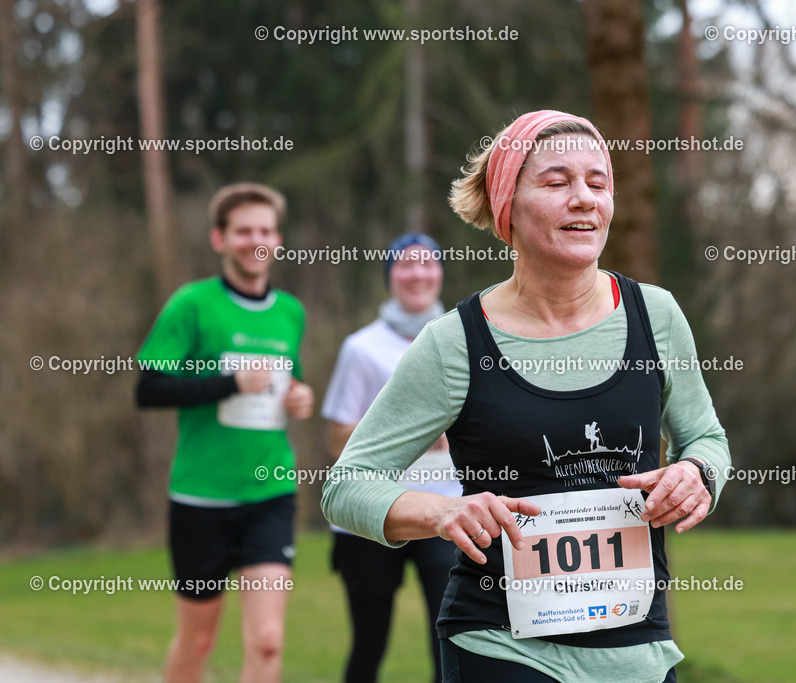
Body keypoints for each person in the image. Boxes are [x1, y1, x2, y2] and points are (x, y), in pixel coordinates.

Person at [322, 110, 730, 682]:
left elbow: (706, 438)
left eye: (598, 182)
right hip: (502, 645)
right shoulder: (454, 343)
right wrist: (443, 511)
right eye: (557, 182)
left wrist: (698, 475)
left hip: (638, 650)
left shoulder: (655, 315)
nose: (584, 198)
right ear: (507, 206)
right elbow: (346, 484)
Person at [136, 182, 314, 683]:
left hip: (270, 493)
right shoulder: (191, 305)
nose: (254, 240)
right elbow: (149, 389)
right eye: (243, 231)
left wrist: (299, 396)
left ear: (277, 239)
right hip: (201, 498)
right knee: (198, 642)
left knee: (267, 643)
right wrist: (228, 383)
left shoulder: (290, 311)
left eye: (264, 230)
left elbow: (288, 380)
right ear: (220, 239)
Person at [322, 233, 460, 682]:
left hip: (448, 510)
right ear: (390, 277)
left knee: (450, 640)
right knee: (369, 643)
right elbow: (336, 439)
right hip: (369, 512)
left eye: (428, 264)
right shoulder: (361, 348)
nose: (418, 273)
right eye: (405, 265)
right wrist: (410, 437)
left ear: (440, 273)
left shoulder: (464, 341)